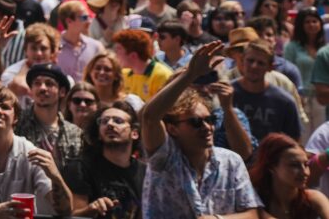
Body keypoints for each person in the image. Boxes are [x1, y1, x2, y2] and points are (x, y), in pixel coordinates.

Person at [139, 40, 260, 219]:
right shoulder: (164, 157)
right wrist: (189, 75)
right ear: (172, 129)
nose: (206, 127)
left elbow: (252, 214)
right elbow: (149, 118)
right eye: (195, 122)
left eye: (210, 120)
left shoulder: (230, 161)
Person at [0, 85, 74, 216]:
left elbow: (65, 210)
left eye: (5, 107)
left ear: (16, 117)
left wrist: (55, 176)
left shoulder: (30, 152)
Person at [63, 100, 146, 219]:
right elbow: (72, 216)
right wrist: (90, 209)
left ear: (134, 133)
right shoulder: (80, 168)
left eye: (118, 121)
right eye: (104, 121)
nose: (110, 124)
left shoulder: (145, 172)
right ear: (98, 133)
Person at [230, 38, 302, 143]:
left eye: (261, 63)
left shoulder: (284, 102)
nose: (254, 66)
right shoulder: (227, 94)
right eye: (250, 61)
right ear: (242, 61)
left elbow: (294, 141)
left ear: (270, 67)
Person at [15, 62, 83, 171]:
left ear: (62, 92)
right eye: (37, 83)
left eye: (49, 84)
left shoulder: (74, 133)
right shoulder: (16, 124)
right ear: (31, 90)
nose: (42, 88)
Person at [250, 133, 329, 219]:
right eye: (294, 165)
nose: (305, 172)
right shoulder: (255, 202)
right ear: (271, 167)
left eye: (306, 165)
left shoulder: (313, 200)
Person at [112, 29, 173, 103]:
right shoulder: (123, 74)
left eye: (118, 50)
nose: (115, 54)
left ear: (133, 56)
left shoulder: (162, 75)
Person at [57, 0, 104, 83]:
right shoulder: (54, 47)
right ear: (69, 21)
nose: (89, 22)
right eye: (84, 18)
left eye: (89, 17)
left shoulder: (96, 47)